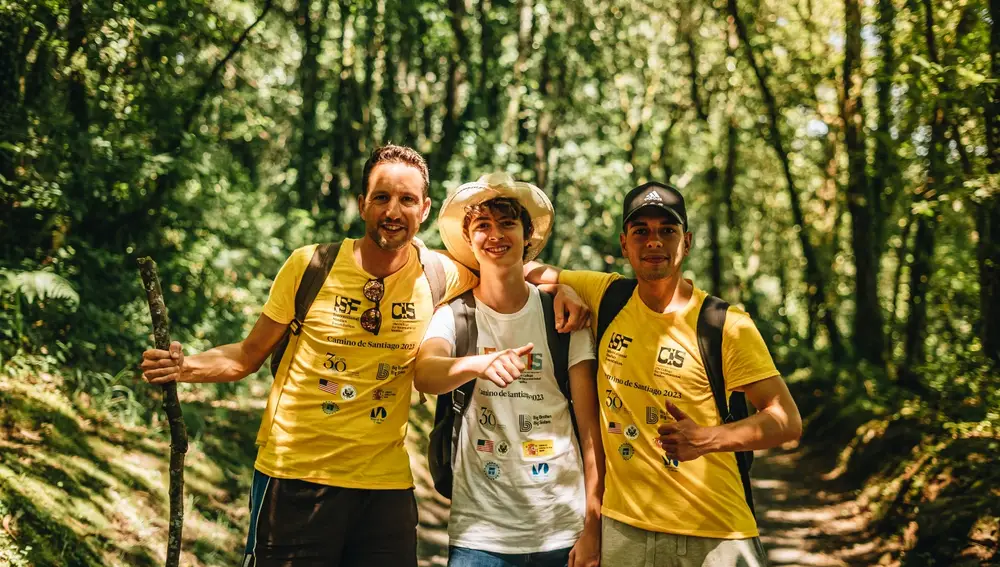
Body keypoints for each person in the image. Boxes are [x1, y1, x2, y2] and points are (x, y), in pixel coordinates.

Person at [139, 145, 589, 567]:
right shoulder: (311, 266)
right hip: (294, 477)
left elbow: (506, 261)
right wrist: (184, 367)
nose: (394, 211)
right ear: (362, 204)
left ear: (425, 210)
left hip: (385, 490)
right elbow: (247, 356)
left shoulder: (439, 273)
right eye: (382, 197)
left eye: (407, 199)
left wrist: (559, 285)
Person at [525, 181, 803, 567]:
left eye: (666, 231)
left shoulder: (724, 325)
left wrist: (708, 439)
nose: (653, 241)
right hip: (625, 529)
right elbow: (521, 268)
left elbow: (786, 420)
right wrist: (560, 289)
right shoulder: (607, 295)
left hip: (716, 535)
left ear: (686, 242)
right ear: (625, 244)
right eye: (641, 232)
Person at [415, 173, 604, 567]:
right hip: (478, 533)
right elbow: (426, 372)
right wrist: (477, 364)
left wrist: (593, 523)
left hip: (561, 528)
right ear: (469, 240)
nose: (495, 235)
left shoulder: (564, 320)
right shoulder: (455, 315)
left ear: (527, 235)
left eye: (507, 224)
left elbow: (589, 431)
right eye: (482, 225)